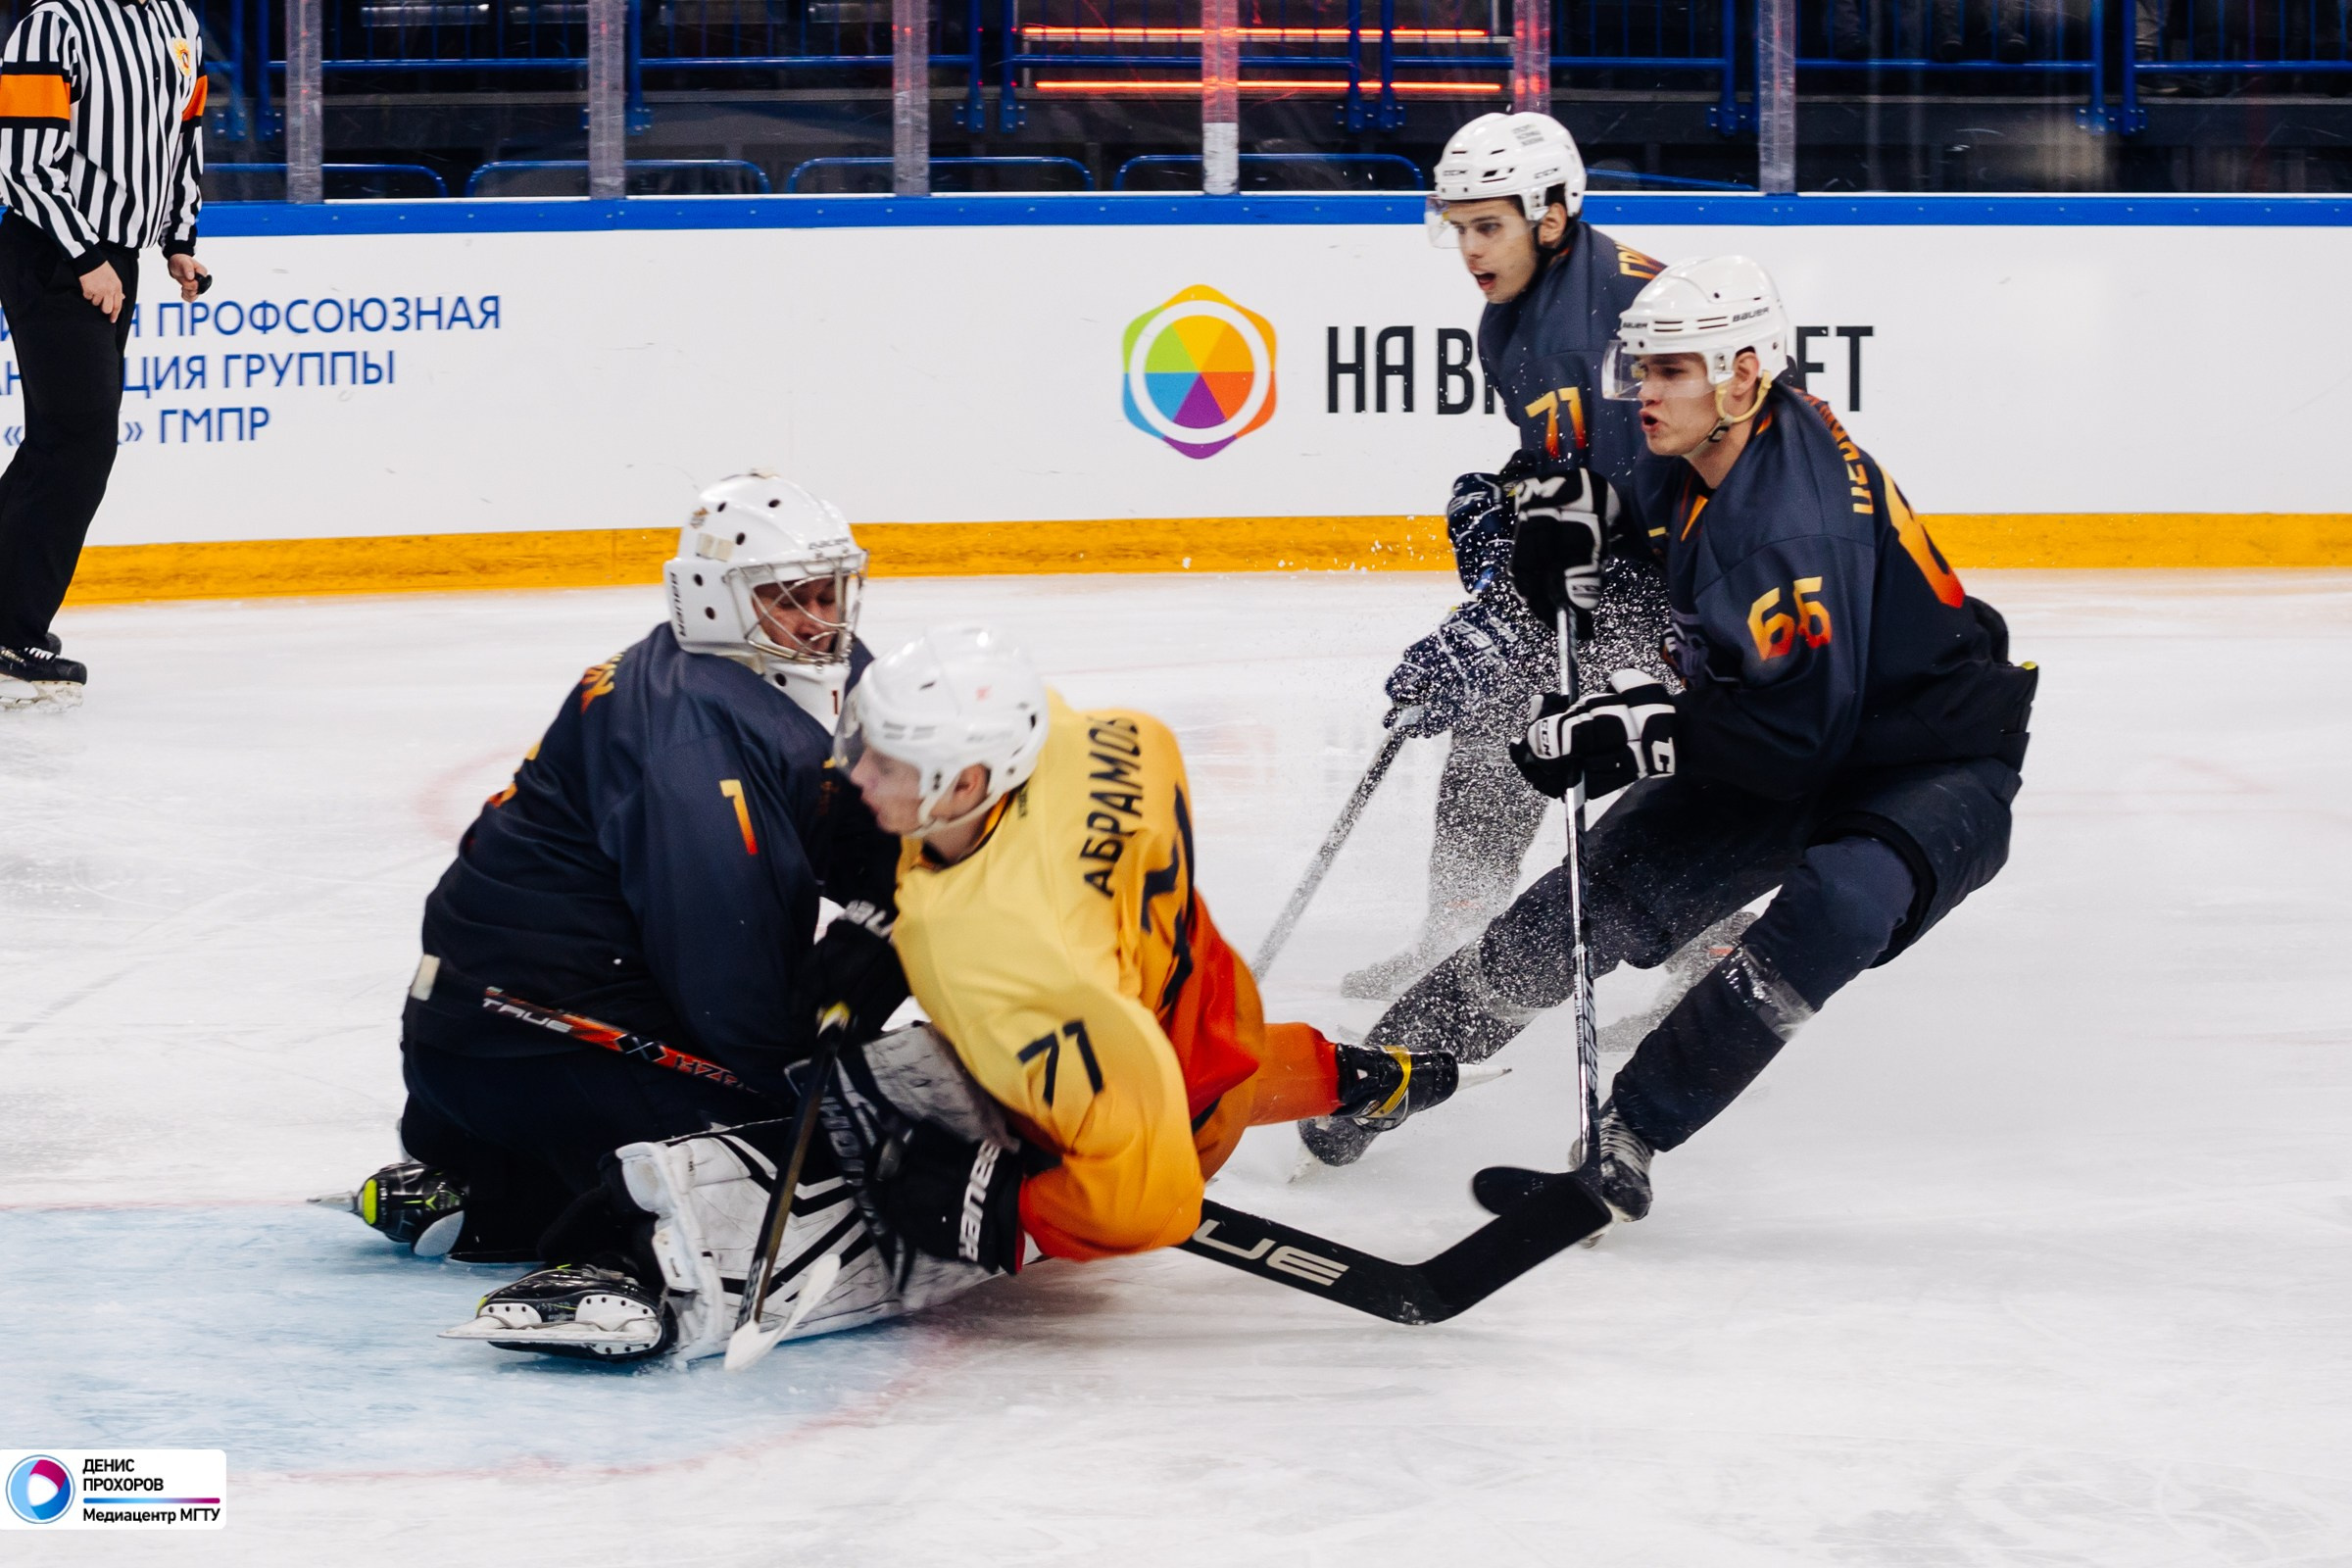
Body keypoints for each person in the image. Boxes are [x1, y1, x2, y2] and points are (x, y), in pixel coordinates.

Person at [439, 626, 1480, 1361]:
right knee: (1213, 1062)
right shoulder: (1109, 737)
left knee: (842, 1124)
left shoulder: (994, 955)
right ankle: (1366, 1075)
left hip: (1132, 1109)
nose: (854, 773)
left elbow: (1151, 1193)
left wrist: (991, 1206)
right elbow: (1083, 831)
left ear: (971, 783)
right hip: (1204, 1018)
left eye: (889, 764)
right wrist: (891, 911)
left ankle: (640, 1265)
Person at [1317, 256, 2037, 1221]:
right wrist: (1544, 520)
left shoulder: (1797, 527)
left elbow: (1797, 742)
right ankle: (1405, 1057)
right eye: (1641, 369)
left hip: (1925, 760)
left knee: (1844, 901)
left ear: (1741, 374)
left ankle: (1633, 1131)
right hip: (1786, 725)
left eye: (1667, 373)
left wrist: (1631, 732)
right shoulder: (1713, 437)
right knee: (1577, 911)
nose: (1642, 395)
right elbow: (1615, 505)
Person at [320, 473, 906, 1264]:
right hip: (532, 1050)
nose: (820, 621)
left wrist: (906, 921)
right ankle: (616, 1249)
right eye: (791, 598)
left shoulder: (793, 670)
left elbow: (870, 832)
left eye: (832, 594)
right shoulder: (689, 735)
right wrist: (815, 1082)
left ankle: (494, 1185)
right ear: (713, 598)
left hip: (473, 1040)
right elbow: (730, 981)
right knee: (823, 1144)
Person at [1343, 110, 1677, 1004]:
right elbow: (1570, 477)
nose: (1471, 250)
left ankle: (1710, 950)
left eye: (1489, 226)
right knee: (1501, 705)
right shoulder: (1515, 319)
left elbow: (1636, 508)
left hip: (1702, 579)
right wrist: (1508, 497)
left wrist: (1508, 608)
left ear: (1554, 216)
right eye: (1460, 229)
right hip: (1642, 553)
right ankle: (1457, 931)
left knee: (1651, 745)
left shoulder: (1598, 324)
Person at [0, 0, 211, 705]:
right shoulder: (55, 22)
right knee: (77, 437)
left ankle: (8, 621)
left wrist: (178, 240)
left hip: (115, 257)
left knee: (65, 440)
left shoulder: (178, 18)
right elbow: (19, 161)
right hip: (52, 251)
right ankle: (10, 629)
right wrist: (86, 255)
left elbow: (186, 133)